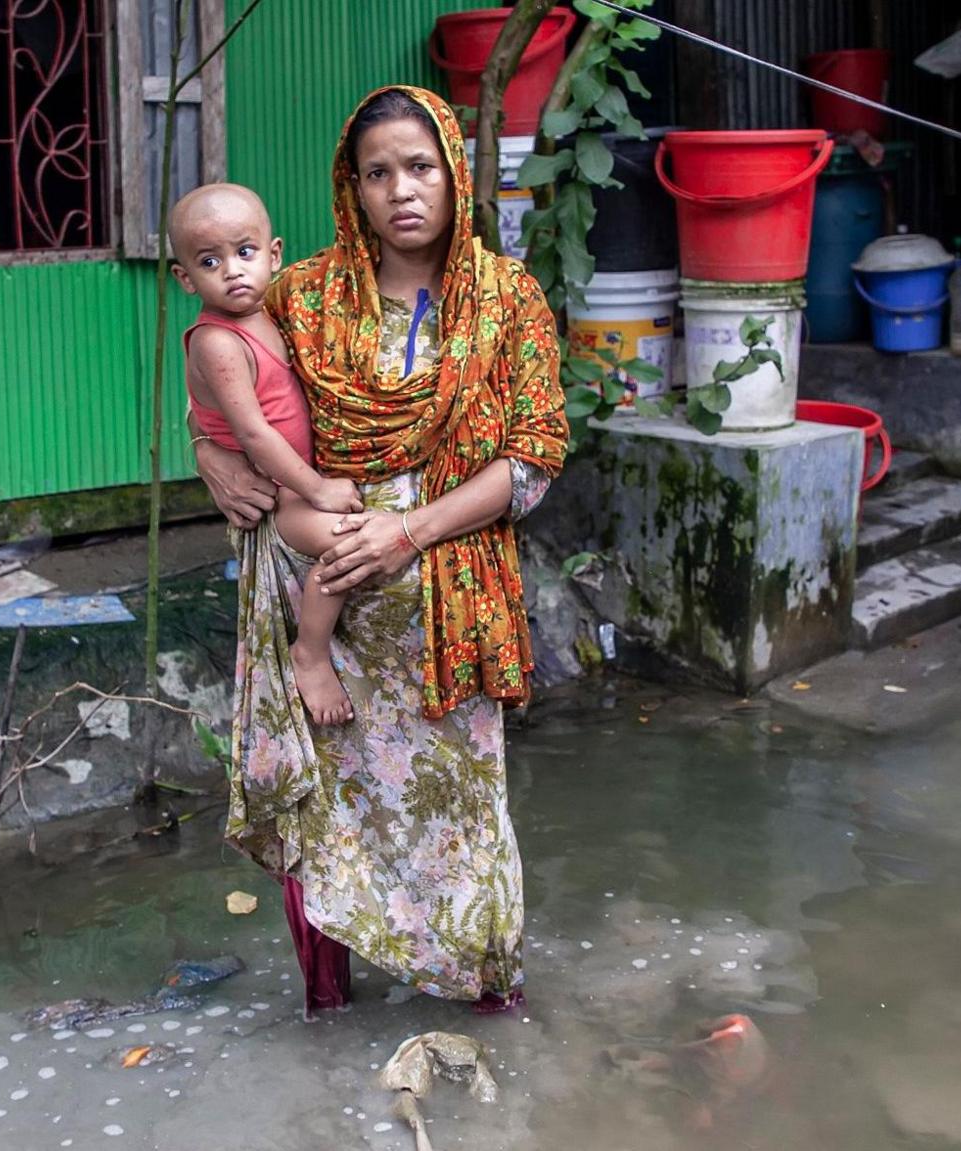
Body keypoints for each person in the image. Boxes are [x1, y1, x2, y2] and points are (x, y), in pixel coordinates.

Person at [191, 85, 567, 1015]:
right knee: (323, 809)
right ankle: (327, 1010)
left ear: (455, 172)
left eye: (420, 166)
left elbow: (536, 459)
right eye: (378, 172)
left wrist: (410, 530)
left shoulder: (509, 301)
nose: (402, 190)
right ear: (350, 187)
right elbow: (223, 367)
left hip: (446, 596)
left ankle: (491, 1006)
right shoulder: (302, 293)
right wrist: (206, 456)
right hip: (316, 594)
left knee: (464, 819)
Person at [171, 183, 363, 725]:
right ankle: (312, 652)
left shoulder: (274, 310)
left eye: (245, 252)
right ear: (186, 278)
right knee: (346, 547)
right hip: (280, 494)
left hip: (297, 479)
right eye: (211, 261)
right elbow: (253, 435)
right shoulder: (217, 341)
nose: (233, 270)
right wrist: (317, 488)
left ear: (274, 255)